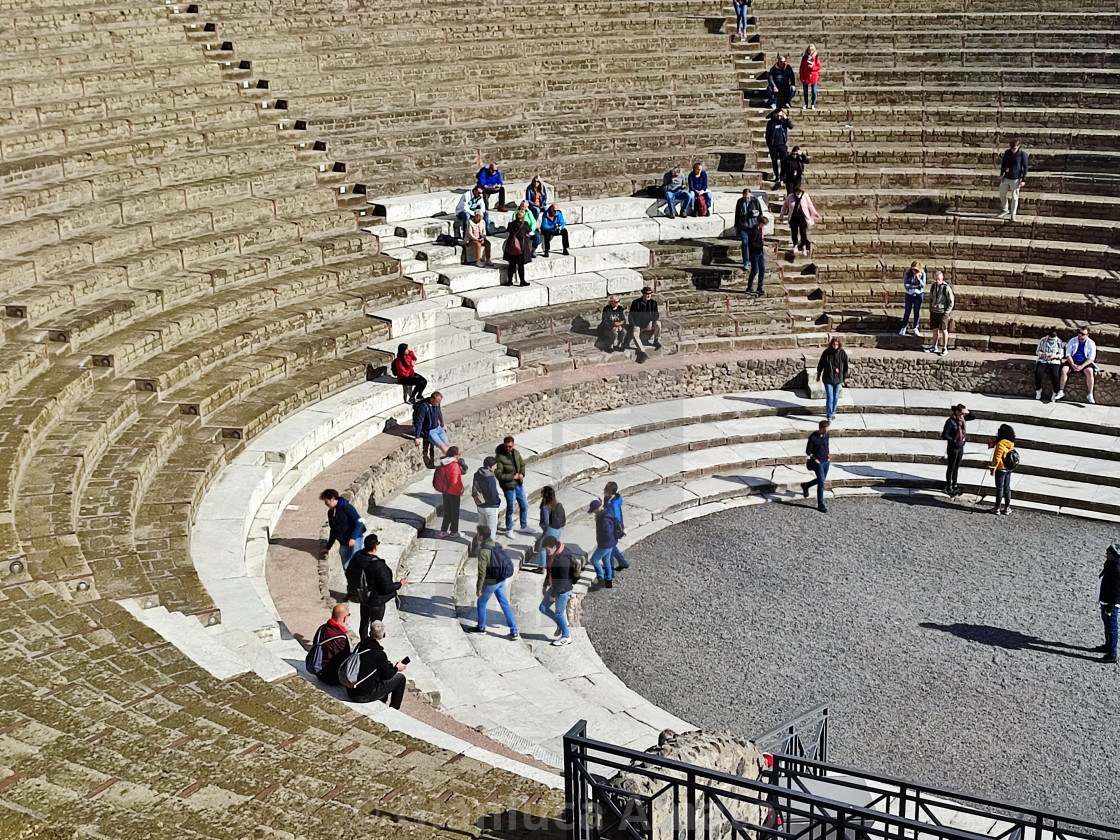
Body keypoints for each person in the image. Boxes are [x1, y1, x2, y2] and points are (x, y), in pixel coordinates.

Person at [345, 534, 408, 641]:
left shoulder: (357, 557)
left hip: (363, 597)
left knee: (364, 623)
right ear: (375, 547)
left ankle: (363, 643)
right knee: (376, 626)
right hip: (376, 601)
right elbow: (387, 587)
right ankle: (373, 646)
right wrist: (400, 584)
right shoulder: (378, 565)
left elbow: (348, 573)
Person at [466, 525, 519, 639]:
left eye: (477, 533)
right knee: (504, 604)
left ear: (481, 536)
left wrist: (479, 588)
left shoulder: (483, 551)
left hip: (491, 581)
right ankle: (514, 630)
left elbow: (482, 572)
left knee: (481, 603)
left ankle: (481, 628)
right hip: (501, 579)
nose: (476, 535)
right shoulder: (496, 544)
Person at [344, 622, 407, 707]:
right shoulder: (379, 654)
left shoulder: (361, 645)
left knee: (383, 668)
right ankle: (394, 708)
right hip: (362, 696)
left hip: (350, 690)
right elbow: (387, 676)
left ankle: (382, 701)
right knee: (400, 678)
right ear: (384, 635)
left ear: (370, 633)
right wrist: (397, 668)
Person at [539, 536, 578, 646]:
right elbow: (550, 571)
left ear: (554, 547)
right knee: (543, 608)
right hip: (554, 586)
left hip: (563, 590)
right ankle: (562, 624)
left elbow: (563, 579)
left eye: (547, 549)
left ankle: (566, 636)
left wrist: (554, 594)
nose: (546, 552)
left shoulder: (562, 559)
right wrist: (545, 584)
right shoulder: (552, 556)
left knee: (559, 613)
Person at [319, 489, 365, 570]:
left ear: (332, 499)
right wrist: (328, 547)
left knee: (357, 564)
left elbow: (359, 522)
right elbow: (333, 530)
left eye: (326, 501)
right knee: (346, 566)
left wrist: (353, 538)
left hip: (355, 539)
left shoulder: (347, 507)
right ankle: (351, 582)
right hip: (344, 542)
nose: (325, 504)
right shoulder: (331, 512)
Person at [940, 404, 975, 497]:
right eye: (962, 413)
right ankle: (948, 486)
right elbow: (944, 435)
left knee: (956, 467)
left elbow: (973, 416)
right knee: (951, 467)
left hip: (960, 447)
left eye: (964, 413)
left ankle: (954, 485)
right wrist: (953, 440)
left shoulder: (962, 420)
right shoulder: (950, 422)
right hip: (953, 447)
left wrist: (967, 411)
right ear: (957, 412)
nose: (964, 415)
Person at [587, 499, 624, 589]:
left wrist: (602, 542)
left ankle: (601, 579)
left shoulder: (603, 519)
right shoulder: (607, 512)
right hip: (611, 542)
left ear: (597, 509)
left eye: (594, 510)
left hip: (605, 544)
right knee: (606, 560)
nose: (593, 513)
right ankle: (608, 578)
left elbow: (607, 533)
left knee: (594, 560)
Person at [312, 604, 351, 686]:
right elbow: (345, 660)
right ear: (345, 617)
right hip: (331, 677)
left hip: (319, 672)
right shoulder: (341, 638)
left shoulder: (322, 628)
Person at [1055, 326, 1097, 404]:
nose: (1080, 335)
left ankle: (1090, 394)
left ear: (1087, 335)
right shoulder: (1072, 340)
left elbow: (1091, 358)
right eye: (1079, 333)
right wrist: (1072, 364)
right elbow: (1068, 354)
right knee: (1064, 370)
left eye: (1082, 334)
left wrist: (1082, 366)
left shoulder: (1091, 343)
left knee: (1090, 372)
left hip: (1084, 362)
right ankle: (1061, 391)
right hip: (1073, 360)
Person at [495, 436, 529, 534]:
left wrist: (522, 474)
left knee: (524, 505)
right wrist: (512, 477)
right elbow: (499, 474)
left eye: (510, 447)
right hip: (508, 487)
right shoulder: (500, 457)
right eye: (506, 446)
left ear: (513, 445)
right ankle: (509, 529)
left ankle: (524, 525)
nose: (508, 449)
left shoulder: (516, 453)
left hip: (518, 485)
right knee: (511, 508)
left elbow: (522, 464)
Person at [433, 446, 466, 537]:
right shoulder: (454, 465)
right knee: (455, 512)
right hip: (453, 492)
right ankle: (454, 532)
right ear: (455, 456)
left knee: (447, 511)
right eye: (459, 454)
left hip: (445, 491)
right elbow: (455, 480)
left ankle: (443, 531)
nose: (459, 456)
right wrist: (461, 490)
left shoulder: (444, 462)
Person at [779, 185, 820, 256]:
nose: (799, 193)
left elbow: (810, 205)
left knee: (803, 232)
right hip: (793, 217)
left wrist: (815, 213)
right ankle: (795, 245)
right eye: (798, 191)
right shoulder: (791, 196)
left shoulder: (805, 196)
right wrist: (781, 215)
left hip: (802, 217)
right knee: (794, 232)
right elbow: (785, 206)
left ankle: (803, 246)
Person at [800, 419, 830, 513]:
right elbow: (808, 451)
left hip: (826, 461)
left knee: (822, 480)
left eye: (827, 430)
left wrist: (828, 455)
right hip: (818, 462)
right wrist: (814, 459)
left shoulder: (827, 435)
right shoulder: (812, 437)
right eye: (824, 430)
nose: (826, 432)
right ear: (820, 428)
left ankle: (806, 485)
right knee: (821, 482)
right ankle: (820, 503)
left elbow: (826, 445)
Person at [1097, 544, 1120, 664]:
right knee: (1107, 625)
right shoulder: (1110, 564)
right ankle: (1108, 645)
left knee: (1112, 627)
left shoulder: (1117, 568)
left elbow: (1117, 591)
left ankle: (1112, 653)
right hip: (1105, 600)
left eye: (1109, 554)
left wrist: (1110, 608)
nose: (1107, 555)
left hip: (1110, 604)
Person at [816, 338, 849, 421]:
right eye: (834, 344)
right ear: (831, 344)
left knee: (836, 397)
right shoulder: (826, 353)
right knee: (830, 397)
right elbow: (821, 364)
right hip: (828, 378)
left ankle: (833, 411)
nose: (835, 346)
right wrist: (819, 374)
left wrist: (845, 377)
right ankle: (829, 414)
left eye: (837, 345)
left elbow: (845, 366)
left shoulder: (842, 353)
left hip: (838, 378)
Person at [412, 391, 449, 466]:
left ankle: (451, 461)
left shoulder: (436, 404)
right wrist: (417, 436)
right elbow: (419, 421)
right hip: (430, 431)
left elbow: (439, 413)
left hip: (438, 428)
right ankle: (455, 463)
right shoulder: (423, 407)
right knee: (442, 447)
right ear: (432, 400)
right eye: (437, 402)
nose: (438, 404)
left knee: (447, 445)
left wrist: (442, 424)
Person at [626, 287, 662, 364]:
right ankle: (642, 351)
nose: (648, 296)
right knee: (634, 334)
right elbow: (631, 316)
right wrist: (635, 325)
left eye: (650, 294)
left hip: (649, 325)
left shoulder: (653, 303)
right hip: (639, 326)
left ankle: (657, 340)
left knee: (658, 323)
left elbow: (656, 315)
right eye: (646, 294)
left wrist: (652, 321)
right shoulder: (636, 303)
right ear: (643, 294)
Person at [987, 423, 1016, 515]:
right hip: (1008, 468)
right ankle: (1007, 508)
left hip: (1001, 469)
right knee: (1007, 488)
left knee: (1000, 489)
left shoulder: (1000, 444)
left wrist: (992, 469)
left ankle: (997, 508)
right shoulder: (1010, 443)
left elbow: (997, 458)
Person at [998, 139, 1028, 222]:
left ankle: (1013, 214)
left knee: (1015, 197)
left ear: (1018, 146)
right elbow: (1003, 164)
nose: (1013, 150)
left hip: (1016, 179)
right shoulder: (1007, 153)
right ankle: (1005, 209)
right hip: (1006, 177)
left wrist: (1023, 180)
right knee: (1002, 193)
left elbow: (1025, 168)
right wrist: (1001, 174)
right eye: (1012, 148)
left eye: (1014, 148)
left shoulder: (1022, 155)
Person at [735, 188, 764, 273]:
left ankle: (751, 260)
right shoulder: (740, 202)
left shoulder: (755, 201)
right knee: (744, 242)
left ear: (751, 195)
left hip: (753, 226)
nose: (747, 199)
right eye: (745, 197)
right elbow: (737, 213)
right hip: (743, 226)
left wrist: (760, 225)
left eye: (748, 197)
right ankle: (745, 262)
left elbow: (760, 213)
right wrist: (736, 225)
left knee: (752, 244)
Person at [537, 485, 566, 571]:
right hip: (559, 529)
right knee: (553, 546)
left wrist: (543, 527)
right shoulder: (557, 504)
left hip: (550, 529)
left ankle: (541, 567)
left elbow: (546, 521)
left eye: (542, 492)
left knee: (542, 547)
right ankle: (553, 563)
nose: (540, 493)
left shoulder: (545, 507)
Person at [602, 481, 629, 571]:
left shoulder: (614, 504)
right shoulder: (608, 498)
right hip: (609, 525)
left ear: (610, 492)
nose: (604, 490)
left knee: (609, 548)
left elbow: (617, 519)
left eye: (606, 489)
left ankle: (610, 570)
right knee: (612, 546)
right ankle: (622, 562)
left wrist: (618, 530)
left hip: (613, 527)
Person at [925, 271, 954, 356]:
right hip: (934, 311)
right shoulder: (933, 286)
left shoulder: (946, 288)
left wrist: (946, 312)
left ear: (942, 278)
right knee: (935, 329)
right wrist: (931, 307)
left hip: (942, 312)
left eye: (939, 279)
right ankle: (934, 346)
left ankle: (945, 348)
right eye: (936, 279)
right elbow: (930, 298)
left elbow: (951, 301)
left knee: (944, 330)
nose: (937, 280)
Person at [472, 456, 502, 536]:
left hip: (480, 504)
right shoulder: (489, 478)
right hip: (490, 507)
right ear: (489, 467)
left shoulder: (477, 474)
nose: (496, 467)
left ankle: (480, 546)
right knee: (491, 530)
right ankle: (489, 547)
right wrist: (498, 502)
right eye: (495, 466)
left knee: (482, 529)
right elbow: (493, 493)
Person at [1034, 327, 1063, 401]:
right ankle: (1038, 389)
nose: (1051, 340)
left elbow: (1061, 354)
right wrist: (1043, 354)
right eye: (1050, 339)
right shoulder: (1043, 340)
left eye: (1053, 339)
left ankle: (1055, 391)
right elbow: (1037, 351)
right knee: (1039, 373)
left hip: (1054, 361)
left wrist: (1055, 356)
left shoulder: (1059, 341)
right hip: (1043, 360)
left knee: (1055, 374)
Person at [503, 212, 532, 287]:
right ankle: (522, 281)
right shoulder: (524, 225)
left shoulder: (511, 224)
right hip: (521, 247)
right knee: (520, 265)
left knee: (511, 264)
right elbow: (530, 231)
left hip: (512, 246)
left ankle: (509, 281)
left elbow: (507, 233)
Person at [898, 260, 926, 337]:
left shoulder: (922, 274)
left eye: (916, 270)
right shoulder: (908, 273)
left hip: (918, 295)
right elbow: (906, 285)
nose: (914, 271)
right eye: (913, 269)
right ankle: (903, 327)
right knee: (907, 310)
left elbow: (923, 286)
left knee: (916, 311)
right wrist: (912, 286)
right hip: (909, 294)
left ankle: (915, 327)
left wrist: (919, 279)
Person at [765, 109, 793, 184]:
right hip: (773, 145)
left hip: (782, 145)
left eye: (780, 115)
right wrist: (769, 144)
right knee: (774, 161)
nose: (779, 117)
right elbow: (767, 134)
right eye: (777, 115)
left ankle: (782, 176)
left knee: (783, 161)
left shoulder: (784, 122)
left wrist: (785, 118)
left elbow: (791, 126)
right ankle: (776, 176)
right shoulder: (770, 123)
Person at [745, 222, 765, 296]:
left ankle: (760, 286)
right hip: (754, 254)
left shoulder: (760, 230)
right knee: (755, 270)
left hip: (760, 253)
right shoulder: (754, 231)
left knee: (762, 269)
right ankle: (749, 287)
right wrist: (761, 247)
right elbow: (752, 243)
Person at [799, 45, 821, 109]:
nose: (810, 52)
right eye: (809, 50)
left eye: (812, 50)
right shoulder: (804, 58)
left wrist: (813, 67)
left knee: (814, 91)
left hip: (813, 76)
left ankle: (813, 104)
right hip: (805, 76)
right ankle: (806, 104)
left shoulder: (816, 57)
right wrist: (801, 76)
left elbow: (819, 67)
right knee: (805, 91)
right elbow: (801, 68)